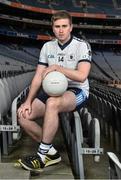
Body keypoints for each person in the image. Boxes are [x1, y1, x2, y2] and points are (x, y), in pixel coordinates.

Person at [17, 10, 92, 172]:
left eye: (65, 26)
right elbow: (38, 76)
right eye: (57, 26)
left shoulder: (81, 45)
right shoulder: (47, 47)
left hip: (77, 90)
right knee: (23, 115)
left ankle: (41, 157)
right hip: (53, 89)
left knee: (52, 103)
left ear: (71, 27)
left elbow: (82, 76)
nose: (61, 30)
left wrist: (58, 68)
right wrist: (28, 101)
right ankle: (50, 152)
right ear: (53, 28)